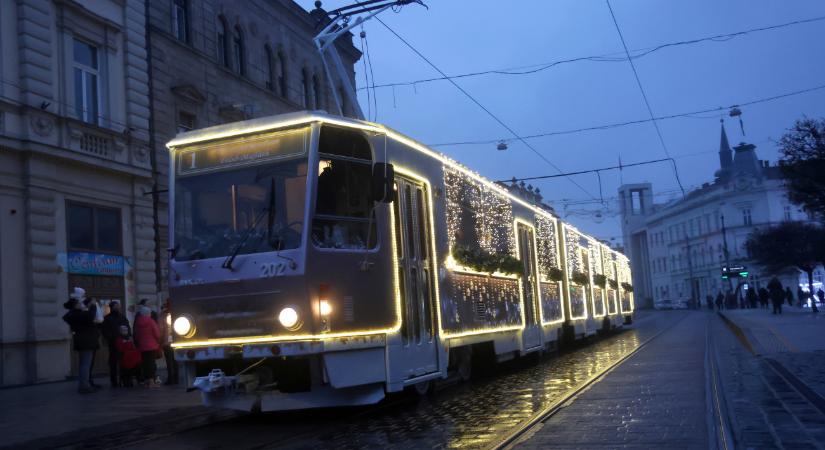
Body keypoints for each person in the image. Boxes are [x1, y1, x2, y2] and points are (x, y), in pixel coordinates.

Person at [62, 287, 101, 394]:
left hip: (83, 340)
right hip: (86, 341)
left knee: (84, 364)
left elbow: (87, 315)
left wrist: (88, 303)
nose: (82, 304)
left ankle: (85, 384)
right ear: (76, 305)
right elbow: (90, 316)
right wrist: (93, 305)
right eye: (80, 303)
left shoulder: (73, 314)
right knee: (85, 365)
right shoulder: (77, 314)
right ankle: (84, 386)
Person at [101, 300, 130, 387]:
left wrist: (127, 336)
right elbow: (104, 331)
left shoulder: (122, 317)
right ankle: (114, 381)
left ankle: (124, 380)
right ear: (112, 307)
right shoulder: (107, 318)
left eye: (119, 306)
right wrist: (112, 337)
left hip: (123, 343)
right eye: (116, 306)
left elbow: (127, 327)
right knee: (113, 363)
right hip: (113, 343)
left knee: (124, 362)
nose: (118, 307)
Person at [134, 306, 161, 387]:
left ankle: (146, 381)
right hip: (152, 346)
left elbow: (136, 335)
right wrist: (158, 340)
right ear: (148, 314)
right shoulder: (151, 321)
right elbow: (157, 334)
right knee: (151, 364)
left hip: (142, 346)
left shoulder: (137, 322)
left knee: (145, 364)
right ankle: (152, 382)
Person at [158, 300, 177, 385]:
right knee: (175, 360)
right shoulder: (176, 313)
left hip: (167, 342)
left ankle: (171, 378)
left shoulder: (163, 316)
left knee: (169, 361)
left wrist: (160, 341)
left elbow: (161, 330)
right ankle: (176, 378)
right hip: (176, 341)